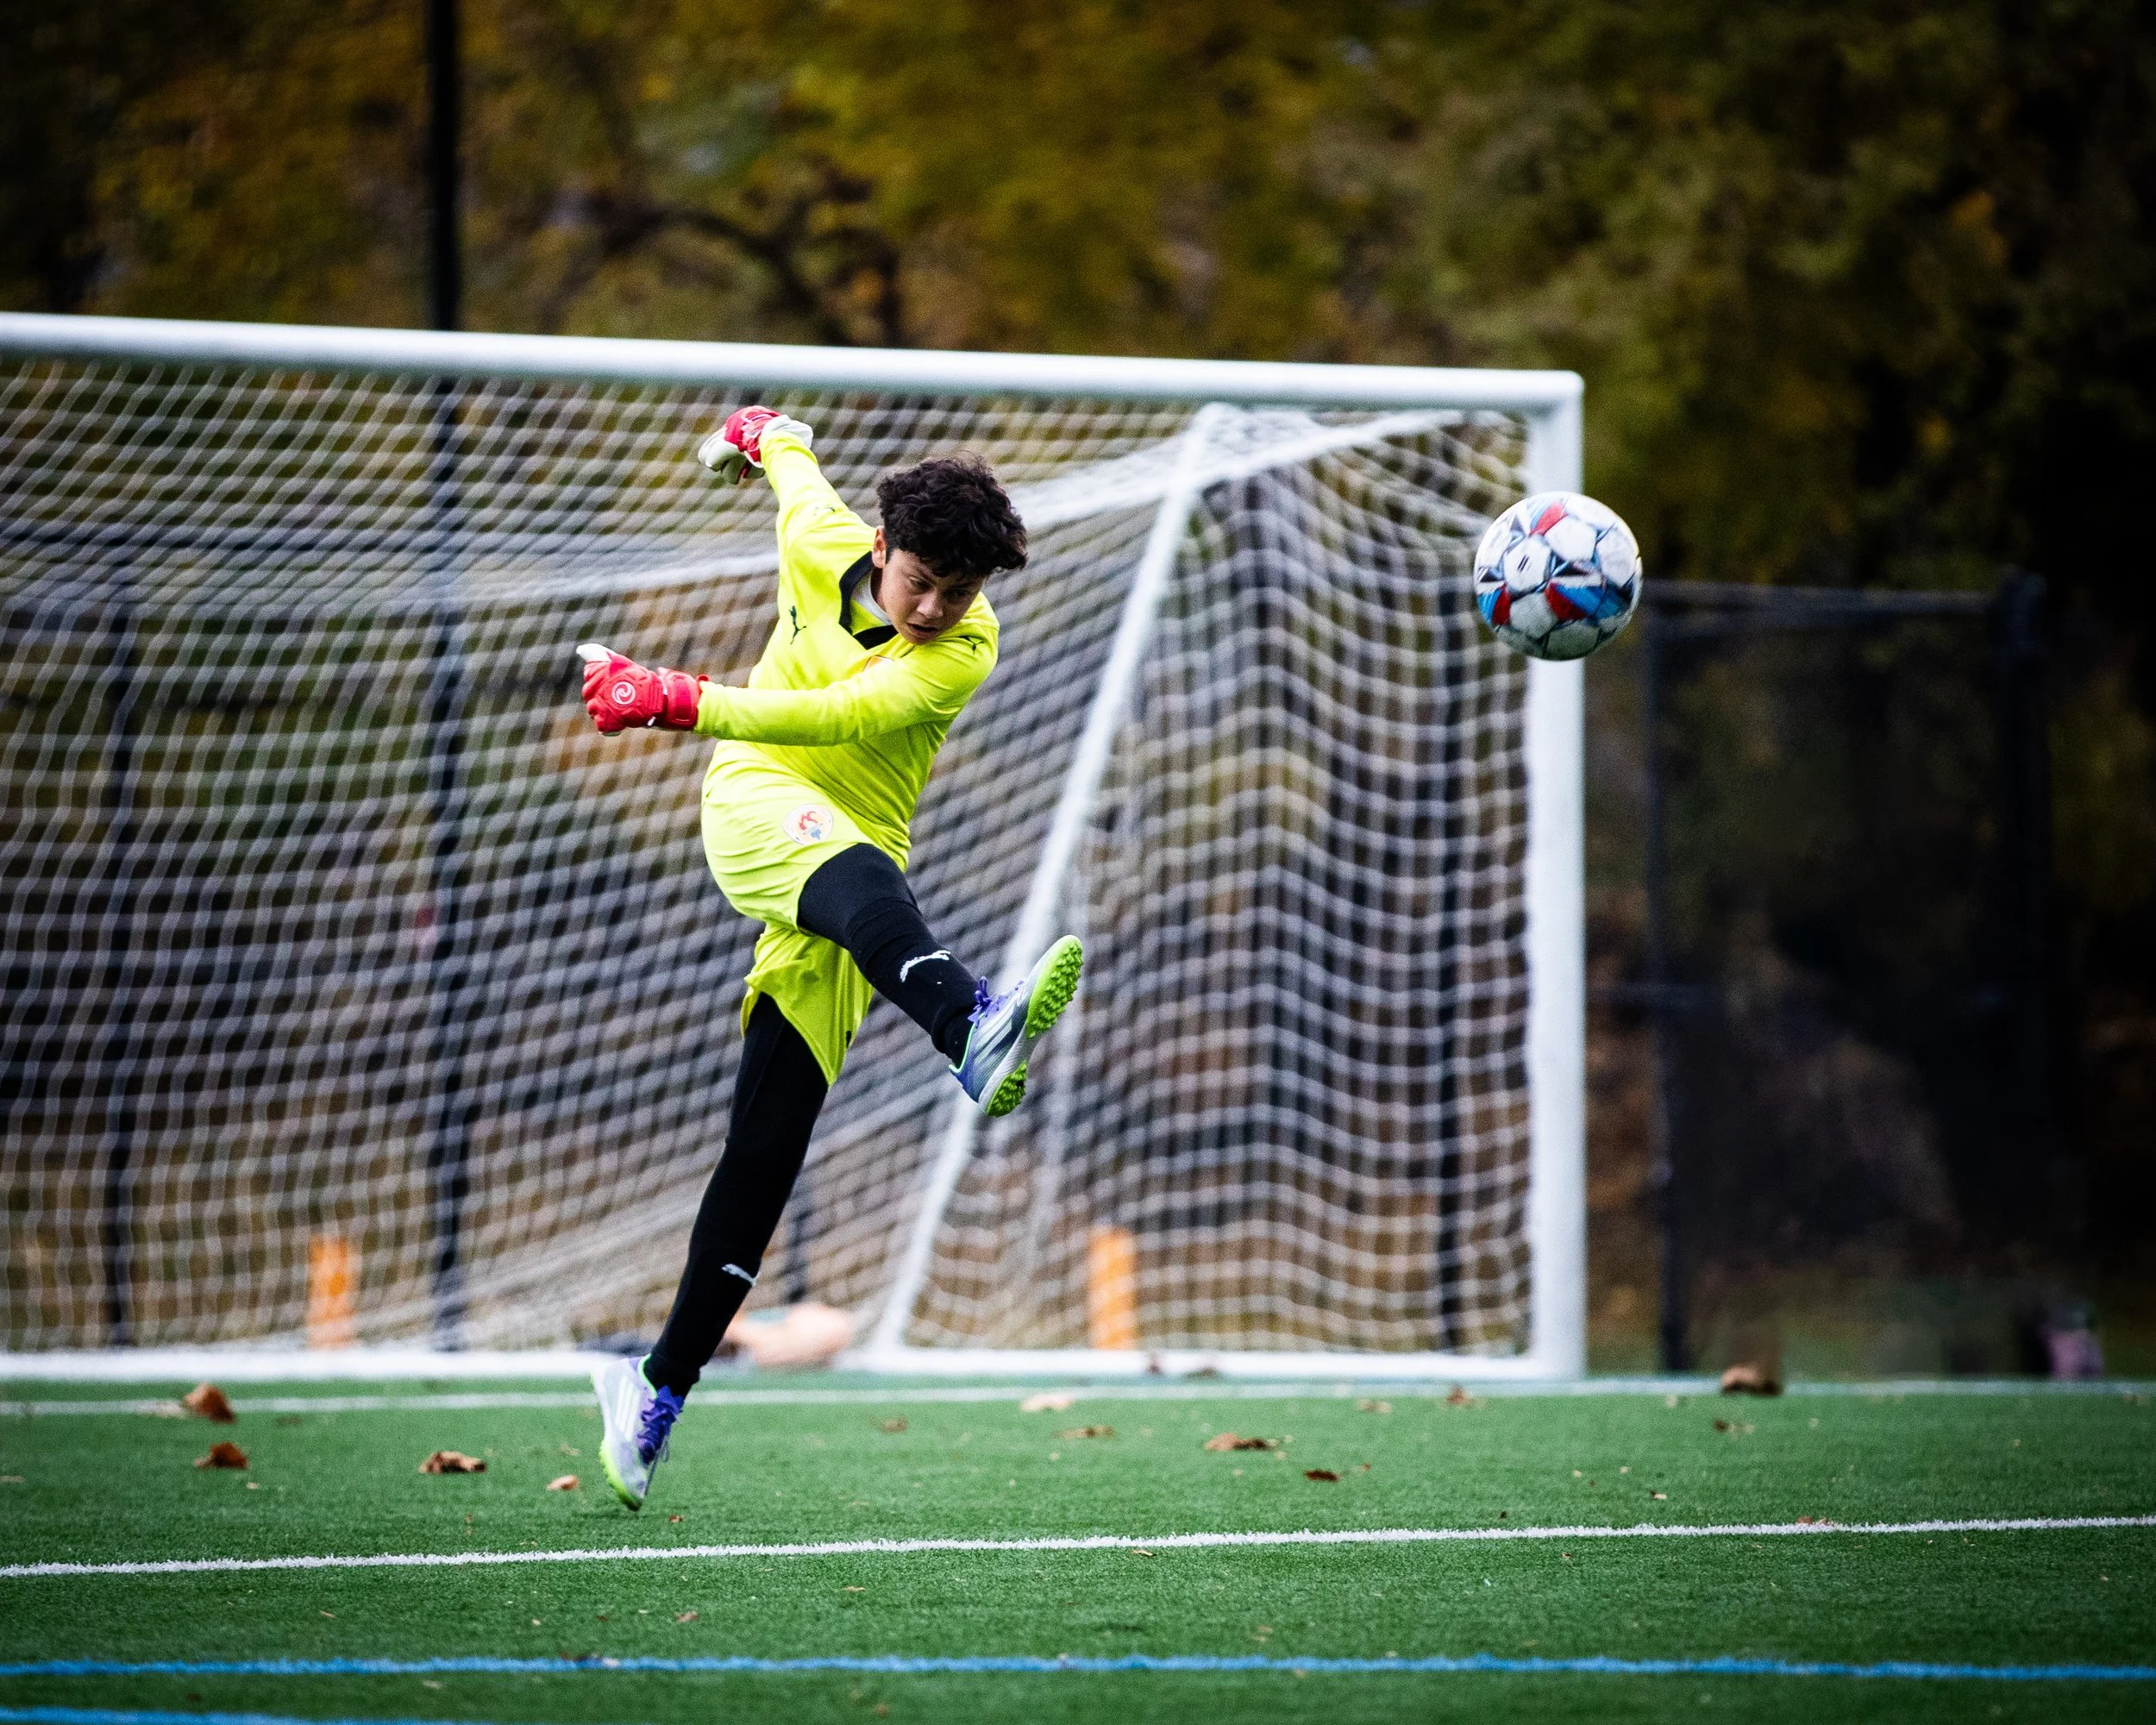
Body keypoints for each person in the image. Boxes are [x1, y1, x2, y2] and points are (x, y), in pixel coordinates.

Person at [575, 405, 1082, 1510]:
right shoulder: (822, 537)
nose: (938, 607)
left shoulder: (965, 645)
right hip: (756, 802)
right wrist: (746, 437)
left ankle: (653, 1390)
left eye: (962, 590)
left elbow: (845, 715)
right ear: (880, 548)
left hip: (856, 887)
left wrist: (670, 694)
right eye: (922, 583)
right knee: (857, 874)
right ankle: (966, 1020)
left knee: (765, 1147)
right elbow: (785, 450)